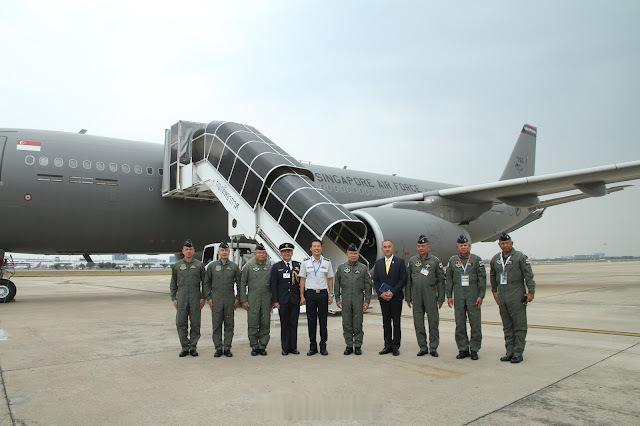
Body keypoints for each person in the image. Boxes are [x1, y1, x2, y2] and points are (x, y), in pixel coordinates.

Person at [489, 233, 536, 364]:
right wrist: (494, 291)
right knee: (507, 326)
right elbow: (492, 276)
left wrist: (531, 291)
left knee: (519, 325)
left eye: (507, 243)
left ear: (512, 243)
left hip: (516, 294)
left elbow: (528, 275)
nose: (505, 245)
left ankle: (518, 352)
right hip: (502, 296)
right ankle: (509, 352)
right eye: (502, 243)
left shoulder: (520, 257)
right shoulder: (495, 259)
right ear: (499, 245)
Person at [445, 235, 486, 360]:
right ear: (457, 247)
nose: (463, 247)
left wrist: (481, 295)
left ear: (469, 246)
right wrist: (449, 296)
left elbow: (482, 279)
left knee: (475, 323)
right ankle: (463, 349)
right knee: (460, 324)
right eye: (461, 245)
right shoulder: (452, 260)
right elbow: (449, 280)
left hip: (473, 296)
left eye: (465, 245)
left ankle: (474, 349)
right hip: (458, 296)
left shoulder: (476, 259)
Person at [405, 235, 445, 357]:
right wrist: (408, 296)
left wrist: (441, 298)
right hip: (416, 297)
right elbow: (408, 281)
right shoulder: (412, 261)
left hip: (431, 297)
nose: (421, 248)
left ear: (428, 247)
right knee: (418, 323)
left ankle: (433, 347)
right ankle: (423, 347)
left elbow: (440, 280)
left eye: (423, 246)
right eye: (419, 246)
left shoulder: (435, 261)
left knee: (433, 323)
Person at [203, 241, 241, 358]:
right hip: (216, 300)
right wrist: (208, 298)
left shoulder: (234, 267)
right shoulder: (212, 266)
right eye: (222, 250)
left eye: (226, 250)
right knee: (217, 325)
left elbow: (240, 284)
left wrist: (238, 298)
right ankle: (218, 348)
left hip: (229, 300)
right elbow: (206, 283)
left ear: (229, 252)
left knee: (229, 325)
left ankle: (227, 348)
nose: (224, 252)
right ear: (219, 252)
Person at [334, 243, 373, 355]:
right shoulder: (341, 268)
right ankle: (349, 345)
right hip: (345, 300)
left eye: (355, 253)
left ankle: (358, 345)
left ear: (358, 254)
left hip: (358, 299)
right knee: (346, 323)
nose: (353, 255)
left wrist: (367, 301)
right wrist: (337, 298)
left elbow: (368, 285)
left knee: (358, 323)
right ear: (347, 254)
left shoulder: (363, 268)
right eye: (351, 253)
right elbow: (337, 284)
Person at [170, 240, 206, 357]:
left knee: (195, 323)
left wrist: (203, 297)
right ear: (183, 251)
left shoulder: (200, 265)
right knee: (181, 323)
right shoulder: (176, 266)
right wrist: (174, 298)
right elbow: (173, 283)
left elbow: (205, 283)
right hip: (181, 297)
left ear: (194, 251)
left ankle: (193, 347)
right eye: (186, 249)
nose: (189, 251)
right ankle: (185, 347)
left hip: (196, 297)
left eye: (190, 249)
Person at [299, 239, 334, 356]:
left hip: (323, 294)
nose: (316, 248)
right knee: (311, 321)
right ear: (311, 249)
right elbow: (302, 280)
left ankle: (323, 346)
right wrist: (302, 296)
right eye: (314, 246)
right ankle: (312, 346)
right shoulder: (305, 262)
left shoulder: (327, 262)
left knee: (323, 322)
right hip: (310, 294)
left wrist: (331, 294)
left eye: (318, 246)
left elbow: (330, 279)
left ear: (321, 248)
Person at [372, 240, 407, 356]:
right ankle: (387, 345)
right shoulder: (378, 263)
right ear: (382, 249)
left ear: (393, 248)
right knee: (386, 322)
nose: (387, 249)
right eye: (385, 247)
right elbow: (375, 280)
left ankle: (396, 346)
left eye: (389, 247)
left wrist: (392, 292)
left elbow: (403, 280)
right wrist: (380, 293)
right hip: (383, 298)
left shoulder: (400, 262)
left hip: (396, 297)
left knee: (396, 322)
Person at [240, 243, 273, 356]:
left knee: (265, 322)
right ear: (255, 254)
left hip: (267, 299)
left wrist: (273, 300)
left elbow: (273, 284)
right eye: (259, 252)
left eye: (263, 253)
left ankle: (262, 346)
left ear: (266, 254)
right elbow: (242, 283)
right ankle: (254, 346)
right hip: (253, 298)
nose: (261, 255)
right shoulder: (248, 266)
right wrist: (243, 300)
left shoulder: (270, 266)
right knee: (253, 322)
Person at [270, 242, 302, 356]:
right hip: (282, 301)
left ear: (292, 253)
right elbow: (273, 285)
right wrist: (275, 301)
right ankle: (285, 348)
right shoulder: (276, 267)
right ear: (281, 253)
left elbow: (302, 283)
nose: (287, 253)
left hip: (295, 300)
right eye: (284, 252)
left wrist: (303, 297)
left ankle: (293, 347)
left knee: (294, 323)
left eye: (289, 251)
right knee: (284, 324)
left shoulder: (298, 265)